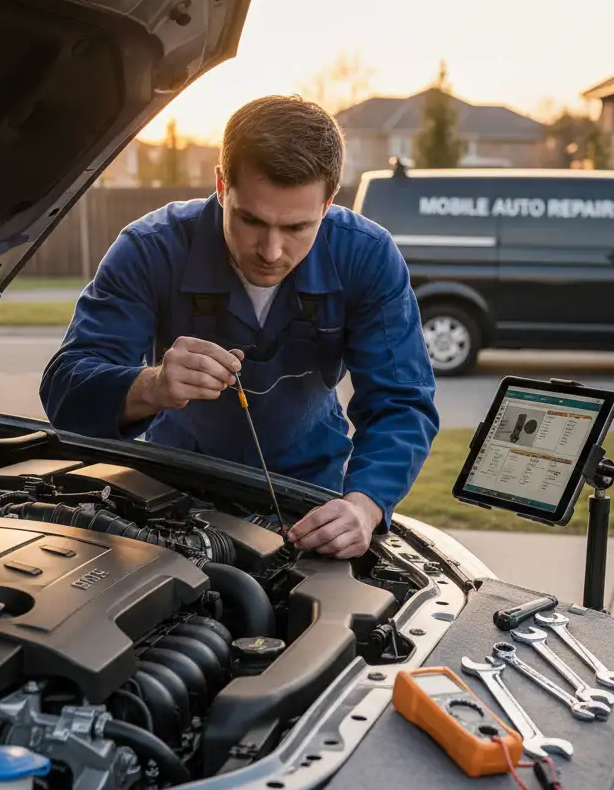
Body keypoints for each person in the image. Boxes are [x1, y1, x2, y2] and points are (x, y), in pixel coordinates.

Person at [40, 96, 438, 559]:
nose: (271, 251)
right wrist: (149, 385)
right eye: (251, 220)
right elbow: (65, 389)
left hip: (308, 495)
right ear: (221, 184)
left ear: (328, 204)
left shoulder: (366, 256)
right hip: (173, 488)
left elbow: (402, 400)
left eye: (296, 227)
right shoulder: (150, 249)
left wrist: (365, 505)